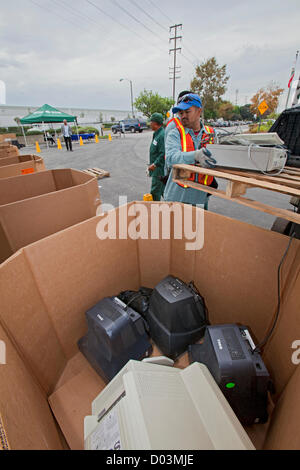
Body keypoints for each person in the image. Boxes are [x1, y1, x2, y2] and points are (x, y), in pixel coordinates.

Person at [164, 93, 216, 209]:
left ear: (199, 111)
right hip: (177, 197)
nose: (183, 116)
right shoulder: (175, 134)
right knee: (175, 227)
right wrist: (196, 155)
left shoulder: (211, 133)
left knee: (197, 227)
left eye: (187, 112)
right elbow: (171, 158)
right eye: (180, 113)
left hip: (201, 198)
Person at [148, 113, 165, 201]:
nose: (149, 124)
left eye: (151, 122)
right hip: (157, 168)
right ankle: (173, 208)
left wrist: (154, 164)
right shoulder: (157, 133)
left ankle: (155, 211)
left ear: (155, 123)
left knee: (155, 191)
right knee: (163, 190)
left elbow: (163, 153)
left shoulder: (162, 135)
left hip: (159, 169)